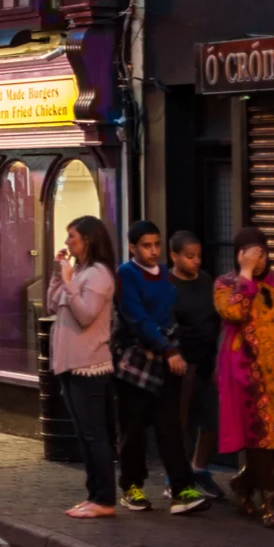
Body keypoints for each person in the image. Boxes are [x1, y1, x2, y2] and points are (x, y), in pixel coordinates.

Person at [113, 220, 208, 514]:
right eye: (146, 245)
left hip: (167, 357)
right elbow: (136, 317)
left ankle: (181, 488)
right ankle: (132, 488)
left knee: (170, 426)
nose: (153, 251)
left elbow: (169, 315)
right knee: (133, 428)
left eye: (156, 244)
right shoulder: (126, 275)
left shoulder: (166, 275)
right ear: (133, 247)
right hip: (136, 359)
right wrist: (167, 350)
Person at [47, 215, 118, 518]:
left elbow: (87, 315)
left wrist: (68, 284)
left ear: (88, 239)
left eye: (72, 237)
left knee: (93, 435)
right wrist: (57, 275)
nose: (67, 242)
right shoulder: (79, 272)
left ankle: (104, 500)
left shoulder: (99, 275)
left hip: (90, 365)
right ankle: (93, 496)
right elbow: (52, 305)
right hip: (69, 365)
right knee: (83, 435)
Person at [216, 226, 274, 526]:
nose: (258, 259)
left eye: (261, 253)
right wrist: (246, 274)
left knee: (273, 439)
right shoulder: (225, 284)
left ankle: (244, 483)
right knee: (261, 436)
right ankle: (270, 502)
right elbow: (234, 313)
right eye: (250, 254)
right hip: (245, 374)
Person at [169, 230, 225, 499]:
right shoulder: (167, 284)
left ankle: (199, 469)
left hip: (207, 361)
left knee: (213, 420)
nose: (196, 261)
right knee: (181, 424)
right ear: (174, 256)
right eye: (190, 256)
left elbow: (215, 317)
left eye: (199, 256)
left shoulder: (205, 281)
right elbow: (166, 322)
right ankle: (177, 478)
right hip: (180, 363)